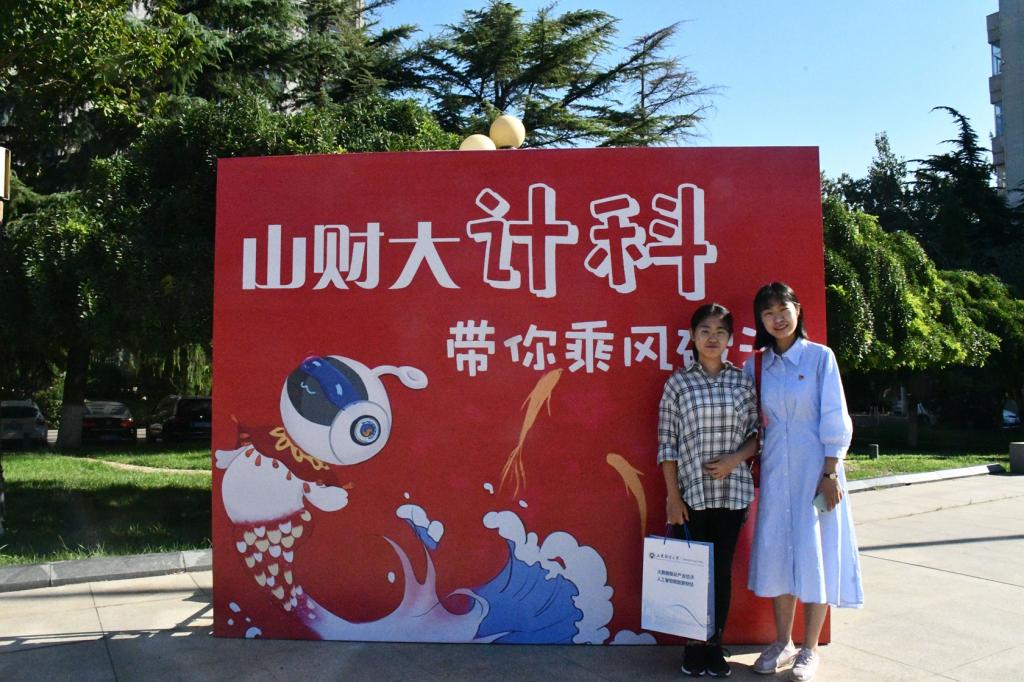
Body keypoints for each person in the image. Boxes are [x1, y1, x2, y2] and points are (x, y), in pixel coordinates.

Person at [743, 282, 863, 681]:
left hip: (816, 469)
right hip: (776, 470)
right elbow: (750, 422)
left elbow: (835, 415)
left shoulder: (819, 358)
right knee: (779, 551)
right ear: (760, 320)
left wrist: (830, 471)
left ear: (797, 309)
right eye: (768, 313)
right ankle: (782, 641)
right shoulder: (757, 366)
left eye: (783, 309)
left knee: (816, 551)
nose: (777, 318)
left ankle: (809, 648)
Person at [658, 302, 759, 678]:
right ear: (692, 336)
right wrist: (673, 497)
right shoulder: (678, 384)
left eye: (720, 331)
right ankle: (693, 645)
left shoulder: (742, 381)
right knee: (693, 573)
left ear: (730, 338)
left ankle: (714, 644)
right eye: (705, 331)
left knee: (721, 572)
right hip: (692, 495)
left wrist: (734, 460)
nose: (712, 338)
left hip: (733, 493)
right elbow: (667, 444)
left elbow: (757, 435)